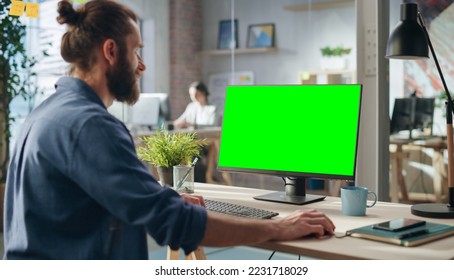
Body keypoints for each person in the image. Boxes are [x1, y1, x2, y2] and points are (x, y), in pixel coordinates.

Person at [3, 0, 335, 260]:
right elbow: (174, 223)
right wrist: (278, 227)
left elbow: (87, 199)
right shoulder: (91, 126)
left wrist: (164, 197)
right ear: (111, 51)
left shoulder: (44, 114)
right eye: (136, 52)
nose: (141, 65)